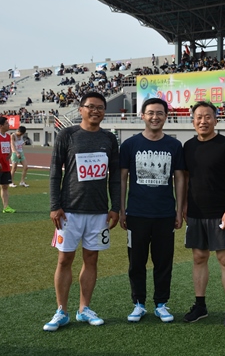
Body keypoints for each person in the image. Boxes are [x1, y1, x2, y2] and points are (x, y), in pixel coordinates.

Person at [43, 92, 120, 332]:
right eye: (90, 106)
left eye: (100, 107)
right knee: (64, 259)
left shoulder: (109, 138)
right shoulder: (67, 135)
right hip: (69, 211)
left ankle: (84, 308)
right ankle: (61, 311)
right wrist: (54, 205)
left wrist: (115, 207)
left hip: (98, 212)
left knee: (91, 258)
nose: (95, 111)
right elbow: (55, 172)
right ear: (81, 109)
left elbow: (115, 177)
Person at [119, 98, 185, 323]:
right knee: (136, 262)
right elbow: (122, 178)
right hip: (136, 214)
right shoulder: (130, 144)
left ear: (166, 116)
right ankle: (138, 303)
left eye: (159, 113)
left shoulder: (174, 145)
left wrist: (179, 210)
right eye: (150, 113)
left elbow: (179, 178)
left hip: (164, 214)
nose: (155, 117)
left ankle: (161, 304)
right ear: (142, 115)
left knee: (163, 262)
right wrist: (121, 209)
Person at [182, 101, 225, 328]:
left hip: (219, 213)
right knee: (199, 257)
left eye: (207, 117)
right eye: (199, 117)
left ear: (216, 120)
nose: (203, 121)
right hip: (196, 212)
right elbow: (186, 178)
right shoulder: (188, 146)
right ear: (193, 121)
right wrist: (184, 205)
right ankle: (200, 306)